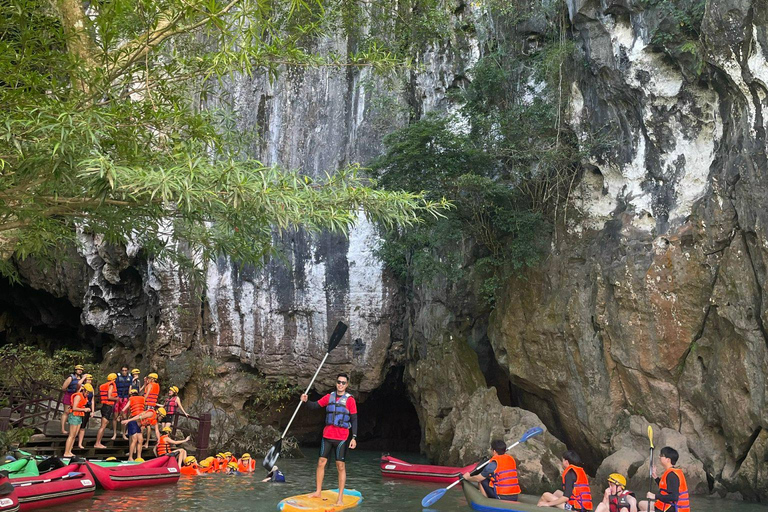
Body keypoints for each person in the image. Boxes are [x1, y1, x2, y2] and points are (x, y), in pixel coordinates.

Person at [299, 372, 358, 506]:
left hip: (342, 437)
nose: (340, 384)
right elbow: (314, 406)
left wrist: (354, 437)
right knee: (321, 462)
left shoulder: (350, 400)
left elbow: (354, 419)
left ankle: (340, 498)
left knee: (340, 466)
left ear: (347, 385)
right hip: (327, 436)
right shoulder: (329, 397)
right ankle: (318, 491)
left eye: (343, 383)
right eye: (339, 382)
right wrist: (305, 401)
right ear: (336, 383)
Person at [639, 447, 689, 512]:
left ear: (668, 460)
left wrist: (655, 496)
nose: (659, 457)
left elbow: (674, 497)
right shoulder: (669, 472)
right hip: (666, 505)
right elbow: (665, 488)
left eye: (661, 455)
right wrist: (656, 477)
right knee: (641, 504)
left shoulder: (672, 475)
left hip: (674, 508)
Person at [63, 383, 90, 457]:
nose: (87, 394)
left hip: (79, 416)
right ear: (84, 390)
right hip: (74, 416)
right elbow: (74, 408)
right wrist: (84, 409)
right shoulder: (78, 396)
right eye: (87, 392)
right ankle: (66, 452)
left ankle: (69, 451)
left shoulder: (84, 397)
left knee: (75, 435)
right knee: (71, 435)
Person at [95, 373, 118, 449]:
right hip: (107, 407)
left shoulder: (105, 385)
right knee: (103, 426)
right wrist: (117, 399)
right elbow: (109, 397)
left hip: (105, 406)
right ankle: (97, 443)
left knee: (104, 425)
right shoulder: (111, 385)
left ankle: (99, 442)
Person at [60, 364, 85, 435]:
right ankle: (63, 429)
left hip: (77, 397)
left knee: (73, 413)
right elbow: (63, 388)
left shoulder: (82, 379)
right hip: (69, 395)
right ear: (75, 370)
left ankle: (72, 429)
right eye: (78, 369)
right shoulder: (71, 378)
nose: (80, 371)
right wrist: (70, 391)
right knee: (66, 412)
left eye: (81, 370)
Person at [123, 389, 145, 461]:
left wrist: (120, 416)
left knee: (136, 439)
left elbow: (124, 409)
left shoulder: (131, 399)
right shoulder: (142, 398)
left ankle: (137, 457)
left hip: (134, 420)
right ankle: (131, 457)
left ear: (131, 395)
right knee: (139, 440)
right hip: (138, 420)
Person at [77, 379, 95, 450]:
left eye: (90, 380)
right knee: (77, 426)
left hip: (87, 408)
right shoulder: (81, 388)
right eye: (88, 380)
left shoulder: (91, 389)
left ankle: (80, 443)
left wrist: (92, 411)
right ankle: (73, 442)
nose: (89, 381)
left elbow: (92, 400)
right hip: (81, 407)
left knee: (83, 427)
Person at [115, 367, 132, 439]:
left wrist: (129, 396)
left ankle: (123, 432)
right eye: (123, 370)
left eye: (125, 370)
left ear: (127, 371)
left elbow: (130, 387)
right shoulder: (118, 377)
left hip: (125, 397)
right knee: (115, 416)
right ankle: (115, 433)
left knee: (124, 416)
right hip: (118, 396)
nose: (124, 372)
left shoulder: (130, 378)